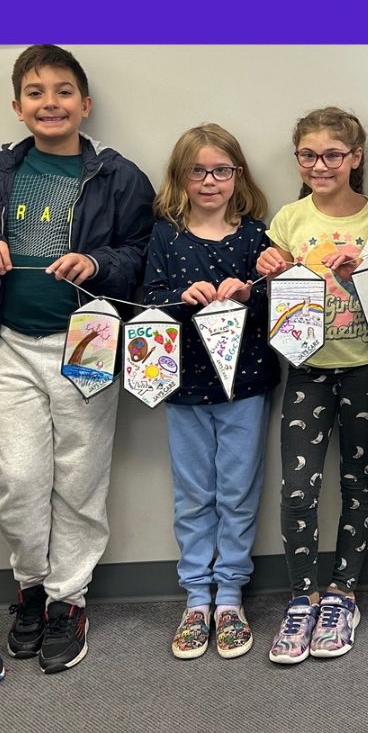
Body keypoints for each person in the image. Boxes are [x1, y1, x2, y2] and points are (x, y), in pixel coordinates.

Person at [0, 45, 154, 673]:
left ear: (84, 105)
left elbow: (143, 254)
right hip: (12, 343)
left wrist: (97, 264)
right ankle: (31, 587)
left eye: (63, 91)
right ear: (17, 108)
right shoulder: (3, 172)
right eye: (35, 92)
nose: (50, 102)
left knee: (81, 480)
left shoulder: (120, 178)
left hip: (87, 342)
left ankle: (69, 599)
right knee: (19, 479)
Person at [256, 107, 368, 664]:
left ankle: (342, 593)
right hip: (306, 367)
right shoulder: (288, 218)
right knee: (299, 486)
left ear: (355, 158)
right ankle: (302, 596)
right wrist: (269, 265)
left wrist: (367, 263)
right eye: (308, 155)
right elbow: (273, 293)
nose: (320, 164)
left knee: (359, 477)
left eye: (333, 154)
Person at [143, 123, 277, 660]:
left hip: (245, 383)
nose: (209, 180)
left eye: (222, 170)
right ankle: (197, 598)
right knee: (194, 495)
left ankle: (230, 598)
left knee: (238, 493)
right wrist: (181, 295)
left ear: (238, 175)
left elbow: (281, 309)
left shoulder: (255, 235)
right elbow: (149, 299)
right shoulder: (165, 235)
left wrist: (249, 290)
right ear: (180, 176)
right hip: (183, 387)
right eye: (197, 170)